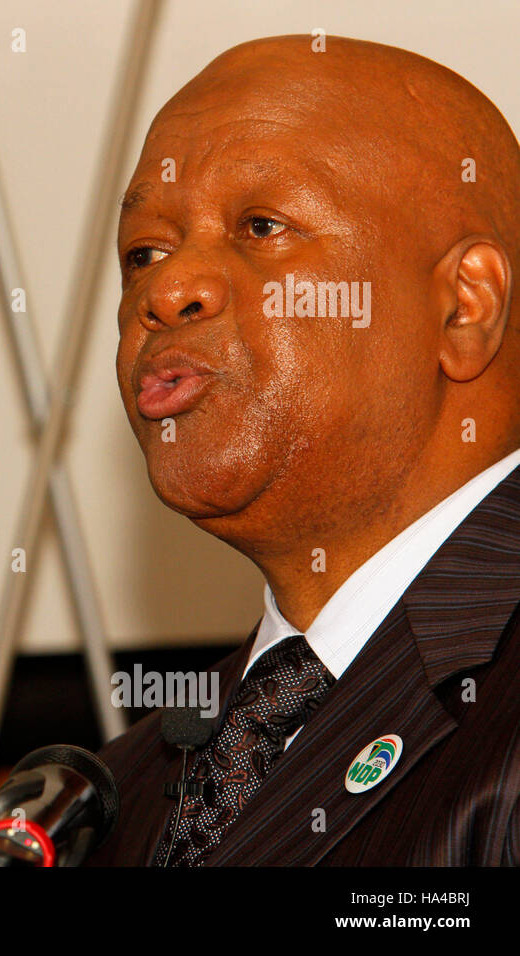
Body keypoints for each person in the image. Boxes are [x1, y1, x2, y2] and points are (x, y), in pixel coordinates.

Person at [94, 34, 520, 865]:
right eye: (144, 252)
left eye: (261, 227)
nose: (167, 288)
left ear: (465, 306)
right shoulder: (120, 791)